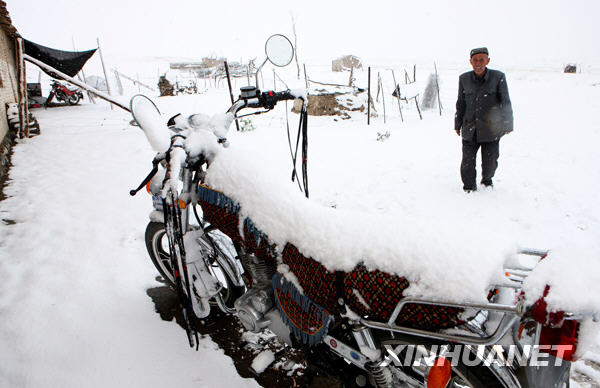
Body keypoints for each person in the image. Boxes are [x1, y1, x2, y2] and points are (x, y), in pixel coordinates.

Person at [454, 47, 513, 192]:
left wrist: (508, 124)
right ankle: (469, 188)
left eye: (482, 60)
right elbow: (461, 103)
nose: (478, 63)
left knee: (490, 162)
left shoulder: (498, 77)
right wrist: (457, 124)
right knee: (467, 163)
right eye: (475, 60)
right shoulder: (464, 79)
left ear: (488, 61)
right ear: (470, 62)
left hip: (491, 129)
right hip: (470, 128)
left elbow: (505, 102)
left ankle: (487, 181)